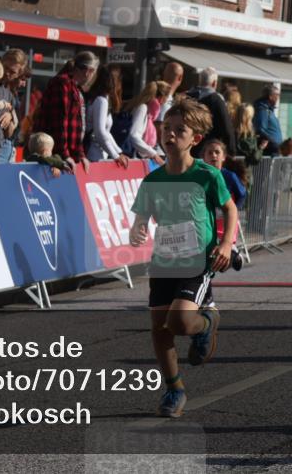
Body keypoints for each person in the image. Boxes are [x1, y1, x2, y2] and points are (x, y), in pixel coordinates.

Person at [128, 98, 237, 418]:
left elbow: (229, 208)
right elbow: (142, 216)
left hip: (197, 260)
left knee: (178, 322)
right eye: (166, 128)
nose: (170, 135)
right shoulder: (153, 179)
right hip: (164, 260)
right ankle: (174, 389)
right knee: (160, 329)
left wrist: (227, 244)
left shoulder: (207, 175)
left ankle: (207, 322)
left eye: (180, 130)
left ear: (195, 139)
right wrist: (137, 229)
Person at [35, 51, 100, 174]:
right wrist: (64, 154)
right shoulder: (63, 84)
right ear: (88, 71)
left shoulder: (75, 88)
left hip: (63, 155)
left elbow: (77, 126)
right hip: (52, 155)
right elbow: (59, 122)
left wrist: (80, 155)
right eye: (93, 72)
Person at [85, 65, 130, 168]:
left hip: (97, 153)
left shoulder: (100, 98)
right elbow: (100, 132)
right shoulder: (101, 100)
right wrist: (115, 155)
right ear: (114, 81)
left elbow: (106, 133)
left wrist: (118, 152)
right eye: (120, 80)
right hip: (94, 155)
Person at [187, 67, 236, 158]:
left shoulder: (186, 97)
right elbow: (226, 127)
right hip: (208, 152)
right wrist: (231, 152)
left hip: (187, 148)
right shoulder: (216, 100)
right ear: (214, 83)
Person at [122, 81, 166, 166]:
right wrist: (153, 153)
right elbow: (134, 135)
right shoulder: (143, 108)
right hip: (132, 158)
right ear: (161, 98)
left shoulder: (145, 109)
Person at [252, 85, 283, 155]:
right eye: (277, 95)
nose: (278, 97)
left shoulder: (269, 110)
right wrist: (274, 143)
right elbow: (261, 130)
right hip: (270, 152)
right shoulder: (263, 110)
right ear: (270, 96)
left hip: (274, 151)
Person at [156, 62, 185, 128]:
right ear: (180, 78)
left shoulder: (156, 95)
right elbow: (159, 126)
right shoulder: (165, 100)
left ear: (164, 74)